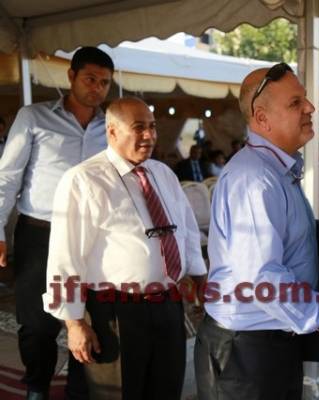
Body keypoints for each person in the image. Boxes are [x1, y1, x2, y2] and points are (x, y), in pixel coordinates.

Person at [194, 63, 319, 400]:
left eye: (305, 99)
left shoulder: (272, 171)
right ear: (262, 119)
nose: (310, 108)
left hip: (266, 344)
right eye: (295, 103)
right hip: (246, 355)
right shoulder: (255, 179)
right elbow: (263, 279)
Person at [42, 97, 207, 399]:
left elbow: (187, 229)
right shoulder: (83, 179)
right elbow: (65, 257)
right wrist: (74, 323)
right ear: (112, 131)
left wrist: (199, 276)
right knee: (119, 392)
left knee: (166, 388)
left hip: (168, 304)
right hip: (114, 312)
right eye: (139, 127)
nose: (149, 136)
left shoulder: (163, 173)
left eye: (152, 127)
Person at [0, 46, 114, 400]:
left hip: (94, 237)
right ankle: (37, 387)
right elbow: (6, 177)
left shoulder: (112, 125)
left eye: (104, 82)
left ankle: (82, 388)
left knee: (92, 316)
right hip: (41, 233)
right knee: (37, 323)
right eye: (90, 79)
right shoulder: (33, 117)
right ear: (71, 76)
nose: (97, 88)